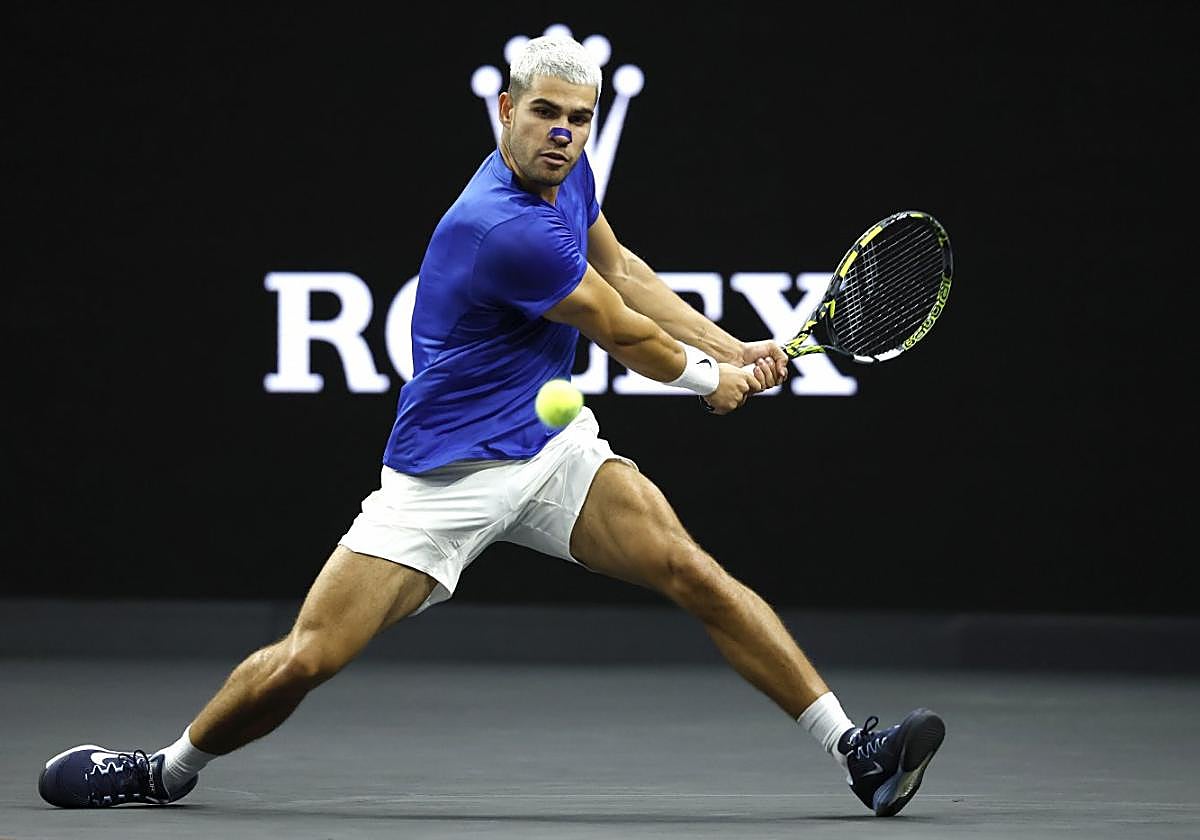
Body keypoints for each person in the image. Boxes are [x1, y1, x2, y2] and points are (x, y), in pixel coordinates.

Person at [38, 33, 944, 818]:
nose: (563, 132)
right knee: (307, 659)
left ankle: (854, 755)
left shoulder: (571, 175)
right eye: (545, 112)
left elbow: (623, 270)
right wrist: (711, 380)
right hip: (443, 480)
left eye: (580, 118)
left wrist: (734, 344)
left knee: (692, 570)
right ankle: (165, 769)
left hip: (550, 452)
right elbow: (617, 327)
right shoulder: (495, 227)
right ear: (505, 109)